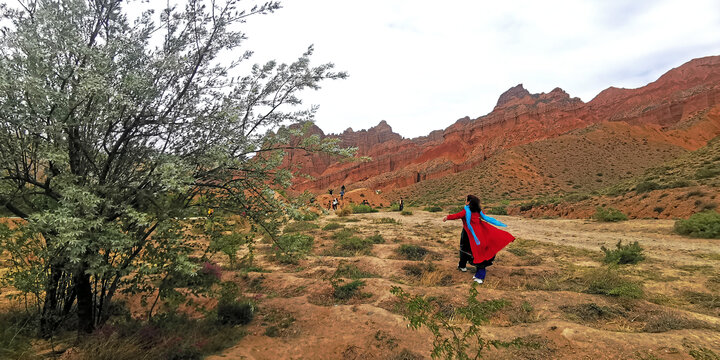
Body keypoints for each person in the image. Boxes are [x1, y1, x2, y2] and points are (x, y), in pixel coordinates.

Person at [443, 195, 514, 284]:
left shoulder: (466, 211)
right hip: (479, 234)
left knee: (477, 253)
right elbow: (485, 218)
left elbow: (457, 215)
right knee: (473, 251)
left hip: (473, 236)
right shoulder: (477, 211)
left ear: (468, 202)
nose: (465, 201)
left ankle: (480, 276)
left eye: (466, 200)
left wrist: (447, 217)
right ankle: (467, 269)